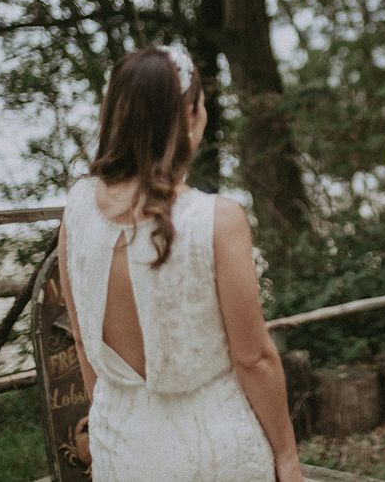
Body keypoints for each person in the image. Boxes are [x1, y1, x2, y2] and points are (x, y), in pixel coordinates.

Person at [57, 45, 304, 482]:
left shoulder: (76, 210)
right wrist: (286, 456)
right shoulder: (216, 219)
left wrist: (114, 423)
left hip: (121, 447)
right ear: (188, 117)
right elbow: (254, 359)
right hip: (212, 451)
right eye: (202, 103)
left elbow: (81, 339)